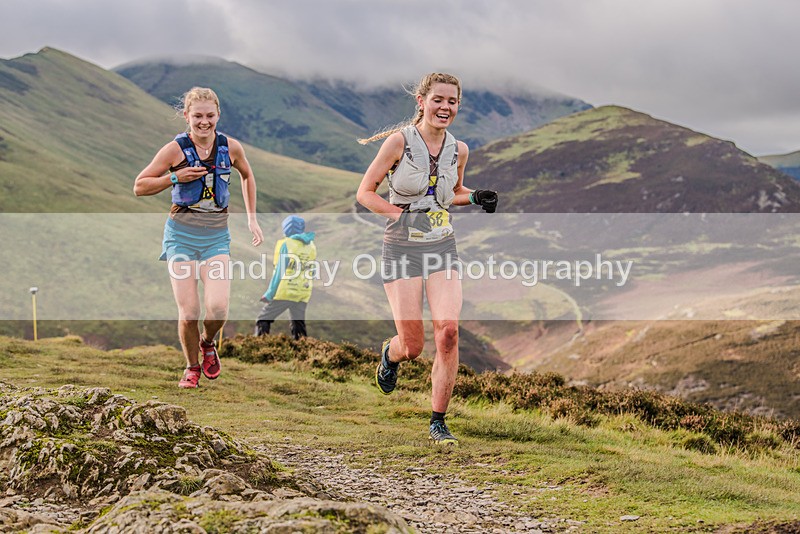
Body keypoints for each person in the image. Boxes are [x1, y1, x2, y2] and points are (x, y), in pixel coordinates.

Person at [356, 73, 498, 445]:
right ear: (421, 101)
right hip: (401, 246)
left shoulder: (458, 149)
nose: (445, 107)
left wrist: (478, 197)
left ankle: (438, 421)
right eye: (438, 100)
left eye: (452, 102)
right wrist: (403, 217)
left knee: (448, 332)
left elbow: (452, 192)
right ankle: (391, 352)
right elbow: (365, 193)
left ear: (458, 106)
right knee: (413, 347)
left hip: (441, 246)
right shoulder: (398, 143)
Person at [134, 87, 263, 389]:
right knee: (189, 312)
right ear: (186, 116)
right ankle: (192, 367)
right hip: (180, 237)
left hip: (217, 237)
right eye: (197, 116)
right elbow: (140, 186)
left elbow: (247, 175)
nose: (204, 122)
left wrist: (252, 218)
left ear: (218, 115)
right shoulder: (174, 150)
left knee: (217, 308)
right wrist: (176, 177)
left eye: (209, 116)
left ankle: (208, 343)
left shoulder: (231, 147)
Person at [255, 215, 316, 340]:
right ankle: (303, 353)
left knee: (263, 318)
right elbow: (312, 271)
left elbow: (280, 271)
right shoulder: (311, 246)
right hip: (303, 292)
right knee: (298, 324)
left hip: (285, 290)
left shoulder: (286, 244)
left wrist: (269, 294)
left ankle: (259, 348)